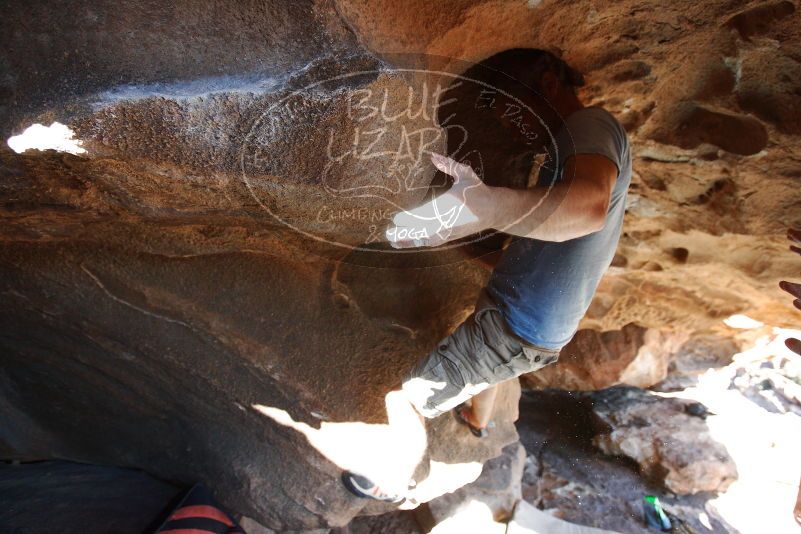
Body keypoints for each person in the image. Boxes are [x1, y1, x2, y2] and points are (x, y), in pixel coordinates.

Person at [343, 49, 632, 502]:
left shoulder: (588, 127)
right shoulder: (572, 142)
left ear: (547, 79)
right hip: (527, 321)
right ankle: (478, 420)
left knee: (407, 400)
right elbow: (547, 245)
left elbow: (588, 208)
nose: (518, 128)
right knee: (491, 362)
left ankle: (397, 481)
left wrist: (483, 206)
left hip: (520, 326)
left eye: (515, 109)